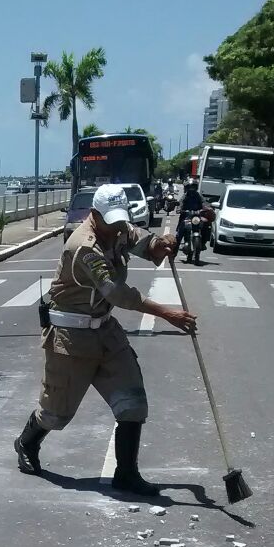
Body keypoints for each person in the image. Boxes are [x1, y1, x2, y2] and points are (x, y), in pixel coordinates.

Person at [14, 184, 197, 496]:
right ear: (93, 214)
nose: (115, 226)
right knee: (56, 413)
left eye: (119, 219)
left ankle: (126, 473)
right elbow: (116, 292)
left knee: (132, 402)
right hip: (71, 338)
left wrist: (162, 243)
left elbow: (144, 242)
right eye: (108, 220)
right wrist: (169, 314)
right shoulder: (84, 247)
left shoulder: (119, 228)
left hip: (105, 332)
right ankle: (26, 443)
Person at [175, 181, 210, 262]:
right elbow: (180, 203)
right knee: (179, 233)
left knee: (206, 225)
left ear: (196, 187)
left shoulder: (198, 195)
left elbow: (204, 203)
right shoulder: (185, 196)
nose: (191, 189)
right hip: (186, 217)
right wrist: (179, 209)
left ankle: (203, 243)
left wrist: (207, 207)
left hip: (196, 217)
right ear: (187, 188)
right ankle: (174, 252)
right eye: (190, 187)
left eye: (193, 187)